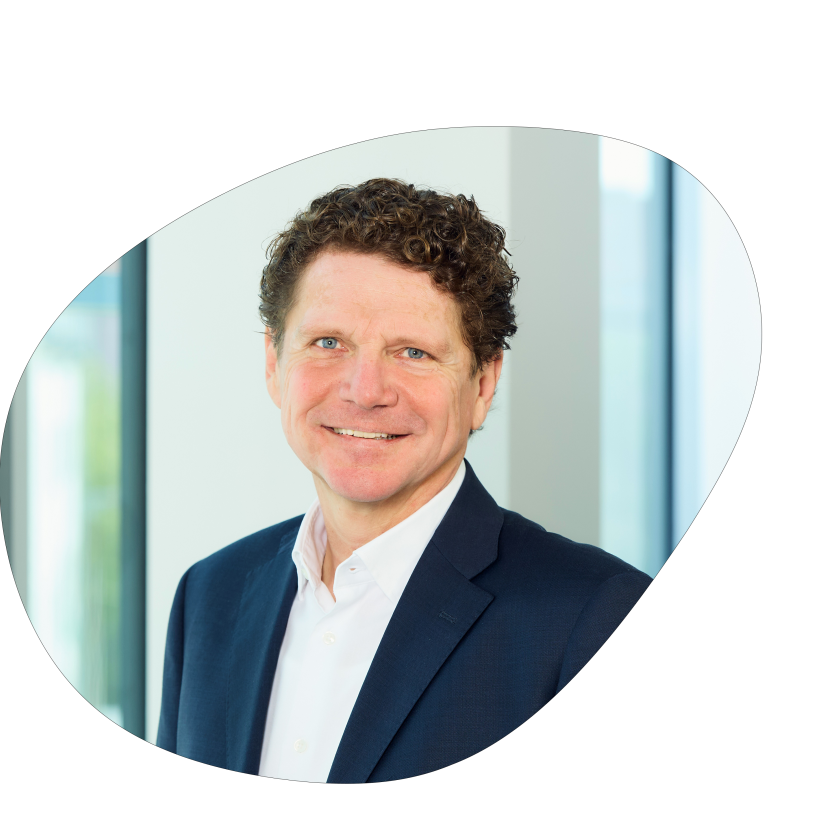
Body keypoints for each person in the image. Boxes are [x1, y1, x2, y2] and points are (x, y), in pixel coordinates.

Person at [156, 178, 651, 782]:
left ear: (482, 384)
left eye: (413, 352)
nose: (365, 391)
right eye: (328, 342)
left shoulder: (592, 618)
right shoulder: (210, 596)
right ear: (273, 363)